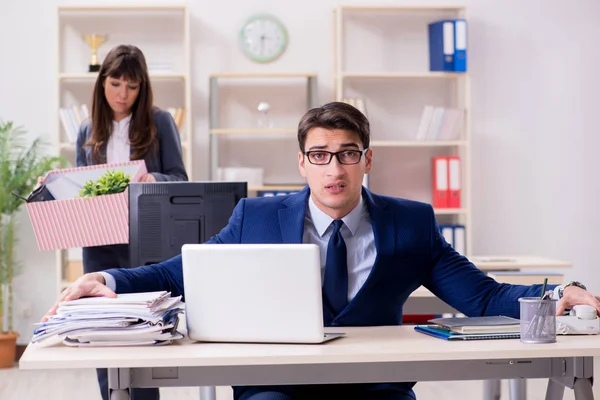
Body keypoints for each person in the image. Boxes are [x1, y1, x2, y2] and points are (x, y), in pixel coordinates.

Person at [44, 102, 600, 400]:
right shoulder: (256, 216)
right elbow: (183, 269)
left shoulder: (411, 222)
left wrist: (556, 293)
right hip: (275, 386)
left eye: (347, 153)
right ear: (302, 163)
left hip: (375, 386)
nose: (335, 169)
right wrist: (111, 281)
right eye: (321, 155)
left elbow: (482, 295)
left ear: (368, 159)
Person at [75, 44, 188, 400]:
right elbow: (81, 189)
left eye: (132, 86)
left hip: (145, 241)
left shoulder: (160, 122)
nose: (123, 95)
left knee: (143, 332)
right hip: (98, 243)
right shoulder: (87, 129)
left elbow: (180, 178)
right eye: (115, 84)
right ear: (101, 83)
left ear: (142, 88)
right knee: (100, 333)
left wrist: (155, 180)